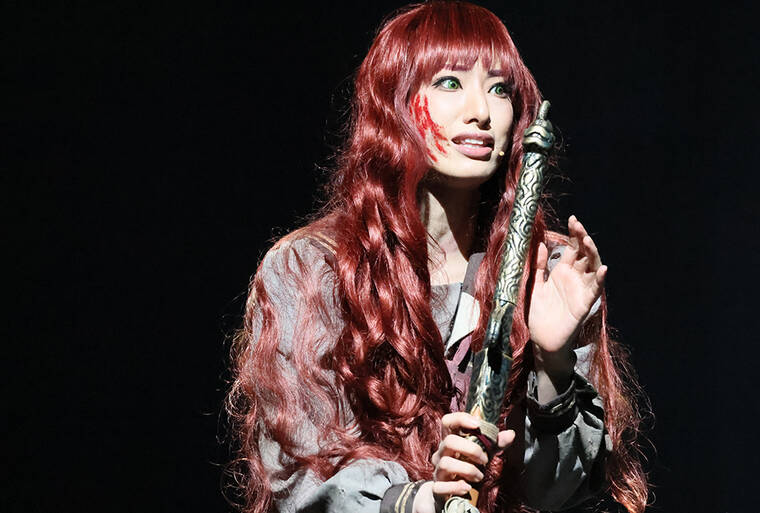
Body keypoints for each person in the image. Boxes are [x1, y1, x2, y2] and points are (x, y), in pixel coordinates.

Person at [228, 2, 648, 512]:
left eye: (499, 89)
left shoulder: (548, 269)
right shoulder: (314, 270)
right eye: (450, 83)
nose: (481, 111)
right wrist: (421, 499)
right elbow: (304, 470)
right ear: (395, 104)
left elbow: (557, 492)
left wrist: (552, 364)